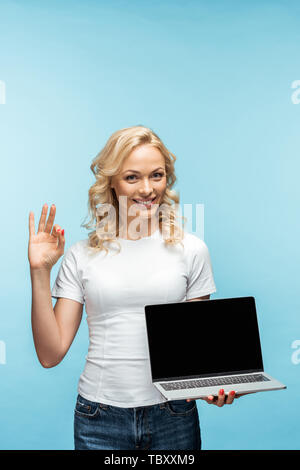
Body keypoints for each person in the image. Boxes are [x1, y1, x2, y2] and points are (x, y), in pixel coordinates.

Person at [28, 125, 245, 451]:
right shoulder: (80, 255)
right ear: (111, 182)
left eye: (156, 175)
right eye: (132, 177)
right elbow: (50, 353)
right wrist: (40, 271)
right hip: (98, 417)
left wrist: (213, 387)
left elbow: (197, 354)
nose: (147, 189)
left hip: (174, 414)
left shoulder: (192, 250)